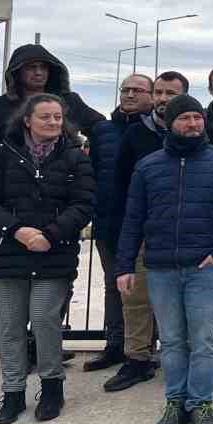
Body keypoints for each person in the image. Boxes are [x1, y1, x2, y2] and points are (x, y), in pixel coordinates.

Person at [117, 93, 213, 424]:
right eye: (184, 118)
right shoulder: (148, 166)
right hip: (161, 267)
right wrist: (125, 265)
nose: (192, 124)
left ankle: (201, 402)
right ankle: (175, 400)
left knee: (203, 340)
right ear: (170, 123)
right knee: (172, 341)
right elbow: (132, 219)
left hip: (205, 267)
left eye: (197, 118)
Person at [0, 94, 95, 424]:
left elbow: (83, 205)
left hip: (53, 254)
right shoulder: (4, 155)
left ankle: (52, 387)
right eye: (45, 117)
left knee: (44, 319)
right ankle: (12, 392)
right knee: (11, 326)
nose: (53, 123)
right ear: (27, 120)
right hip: (9, 252)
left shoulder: (74, 158)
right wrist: (17, 230)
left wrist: (50, 235)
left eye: (58, 117)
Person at [104, 70, 188, 392]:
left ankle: (182, 358)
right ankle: (137, 360)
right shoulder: (136, 135)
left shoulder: (197, 131)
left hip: (186, 232)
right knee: (136, 299)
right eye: (160, 92)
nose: (164, 99)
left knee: (183, 300)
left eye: (171, 93)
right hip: (144, 230)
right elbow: (122, 185)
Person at [83, 73, 153, 371]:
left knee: (148, 288)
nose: (130, 94)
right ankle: (115, 345)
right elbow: (92, 174)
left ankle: (145, 349)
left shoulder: (155, 131)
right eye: (125, 89)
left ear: (151, 96)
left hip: (147, 224)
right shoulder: (103, 130)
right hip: (110, 221)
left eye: (138, 90)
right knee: (115, 286)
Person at [0, 43, 104, 142]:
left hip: (62, 173)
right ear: (17, 72)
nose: (38, 72)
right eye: (31, 67)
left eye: (43, 67)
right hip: (13, 173)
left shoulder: (70, 102)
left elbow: (102, 129)